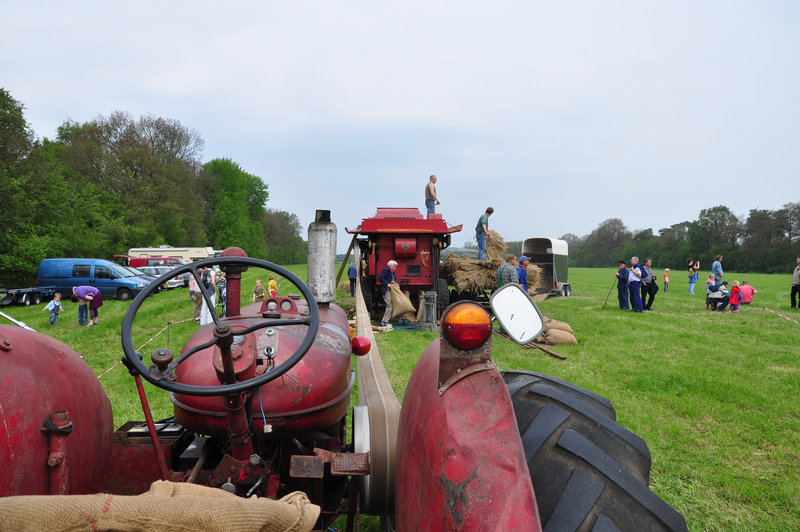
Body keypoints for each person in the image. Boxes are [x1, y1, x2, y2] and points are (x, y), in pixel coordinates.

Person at [379, 260, 399, 327]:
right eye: (394, 266)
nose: (395, 268)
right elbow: (380, 278)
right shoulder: (386, 270)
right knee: (389, 305)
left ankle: (401, 319)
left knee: (396, 303)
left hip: (392, 290)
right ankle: (384, 321)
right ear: (390, 266)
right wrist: (387, 284)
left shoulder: (393, 272)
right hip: (386, 290)